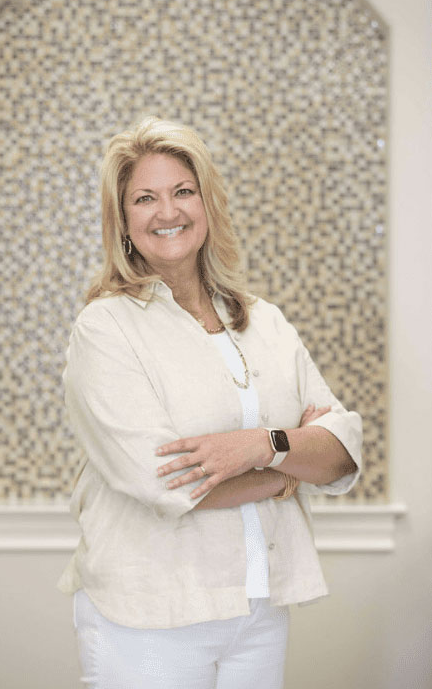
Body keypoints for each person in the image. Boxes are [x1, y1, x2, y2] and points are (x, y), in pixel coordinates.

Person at [57, 115, 362, 689]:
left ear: (207, 203)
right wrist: (288, 470)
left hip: (258, 608)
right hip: (148, 618)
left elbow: (342, 452)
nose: (167, 211)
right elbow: (164, 482)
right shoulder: (106, 329)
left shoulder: (264, 321)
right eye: (145, 198)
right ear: (123, 221)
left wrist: (260, 447)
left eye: (183, 192)